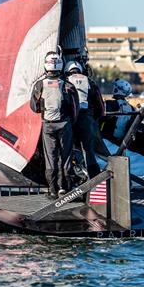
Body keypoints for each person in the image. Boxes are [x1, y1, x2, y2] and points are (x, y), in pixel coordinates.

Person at [29, 51, 79, 196]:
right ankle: (65, 188)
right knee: (66, 156)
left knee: (51, 157)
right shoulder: (68, 85)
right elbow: (75, 108)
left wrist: (44, 111)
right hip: (65, 124)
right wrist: (70, 121)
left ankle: (52, 190)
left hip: (48, 125)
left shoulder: (39, 85)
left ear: (46, 65)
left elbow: (34, 107)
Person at [65, 61, 105, 178]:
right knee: (88, 150)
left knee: (67, 149)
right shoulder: (89, 82)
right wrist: (94, 118)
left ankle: (70, 178)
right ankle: (94, 178)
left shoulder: (65, 82)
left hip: (69, 120)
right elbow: (100, 105)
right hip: (86, 119)